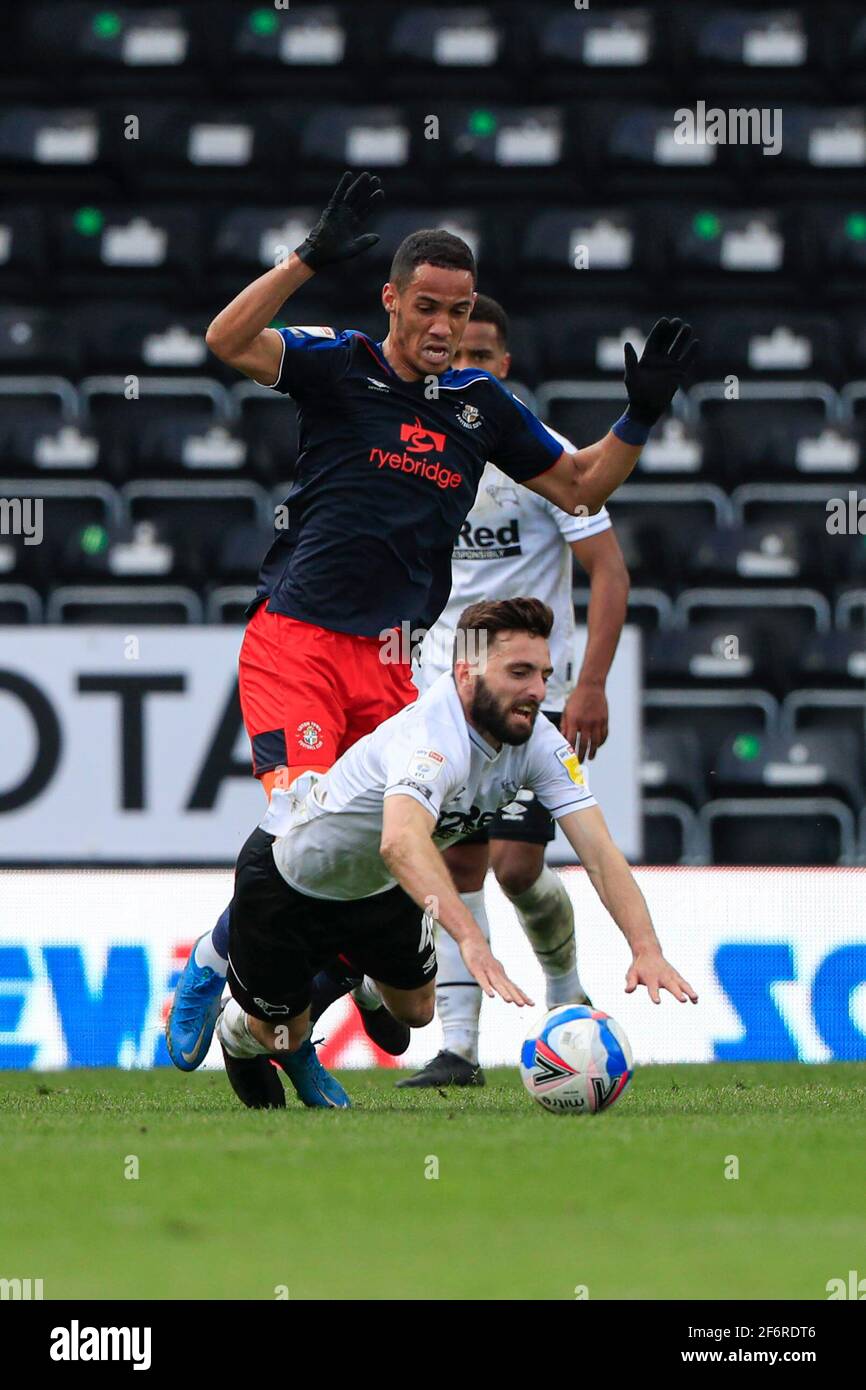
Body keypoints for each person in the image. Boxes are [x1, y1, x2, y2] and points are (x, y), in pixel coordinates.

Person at [166, 169, 697, 1097]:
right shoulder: (339, 365)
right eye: (427, 308)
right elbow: (227, 341)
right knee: (299, 830)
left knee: (367, 844)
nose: (444, 327)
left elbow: (580, 487)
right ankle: (217, 963)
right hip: (296, 638)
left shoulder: (481, 409)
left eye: (457, 311)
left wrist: (640, 416)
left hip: (387, 658)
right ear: (391, 301)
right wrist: (305, 258)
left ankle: (293, 1023)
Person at [216, 598, 697, 1110]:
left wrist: (645, 948)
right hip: (291, 881)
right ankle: (236, 1031)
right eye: (519, 672)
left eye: (543, 674)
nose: (537, 691)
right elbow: (400, 840)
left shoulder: (539, 743)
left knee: (417, 1013)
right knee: (279, 1034)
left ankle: (350, 973)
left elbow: (599, 850)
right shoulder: (431, 737)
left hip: (381, 885)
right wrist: (470, 939)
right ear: (466, 670)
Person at [401, 295, 630, 1086]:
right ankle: (459, 1049)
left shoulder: (546, 458)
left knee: (518, 865)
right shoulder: (421, 453)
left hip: (534, 697)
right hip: (445, 697)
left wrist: (590, 683)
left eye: (483, 356)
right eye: (456, 354)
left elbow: (609, 572)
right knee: (460, 864)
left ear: (505, 367)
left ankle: (565, 993)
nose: (467, 367)